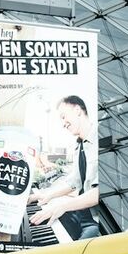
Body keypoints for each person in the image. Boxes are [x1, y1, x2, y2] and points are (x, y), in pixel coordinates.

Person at [29, 95, 99, 240]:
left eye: (63, 116)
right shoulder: (79, 145)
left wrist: (62, 206)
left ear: (78, 110)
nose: (63, 123)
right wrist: (47, 195)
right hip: (81, 213)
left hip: (95, 222)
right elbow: (74, 182)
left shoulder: (100, 139)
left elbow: (98, 193)